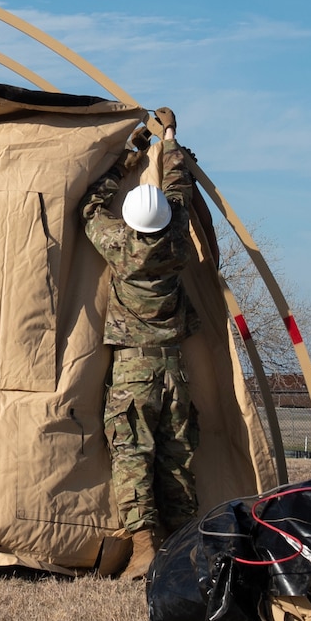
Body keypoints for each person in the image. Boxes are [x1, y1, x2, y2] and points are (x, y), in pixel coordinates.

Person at [80, 107, 201, 581]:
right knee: (178, 457)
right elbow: (178, 189)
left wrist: (125, 160)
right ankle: (186, 544)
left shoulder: (119, 247)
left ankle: (145, 548)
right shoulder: (175, 241)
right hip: (175, 368)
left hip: (133, 370)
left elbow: (90, 207)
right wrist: (169, 136)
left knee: (132, 455)